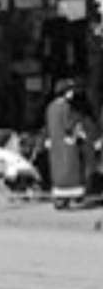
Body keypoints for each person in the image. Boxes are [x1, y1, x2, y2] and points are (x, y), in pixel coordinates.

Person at [45, 77, 92, 210]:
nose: (72, 93)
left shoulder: (50, 107)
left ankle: (60, 199)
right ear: (65, 92)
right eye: (70, 90)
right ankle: (72, 196)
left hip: (55, 145)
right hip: (67, 146)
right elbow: (69, 126)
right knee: (71, 170)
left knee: (57, 170)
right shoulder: (66, 107)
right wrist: (80, 132)